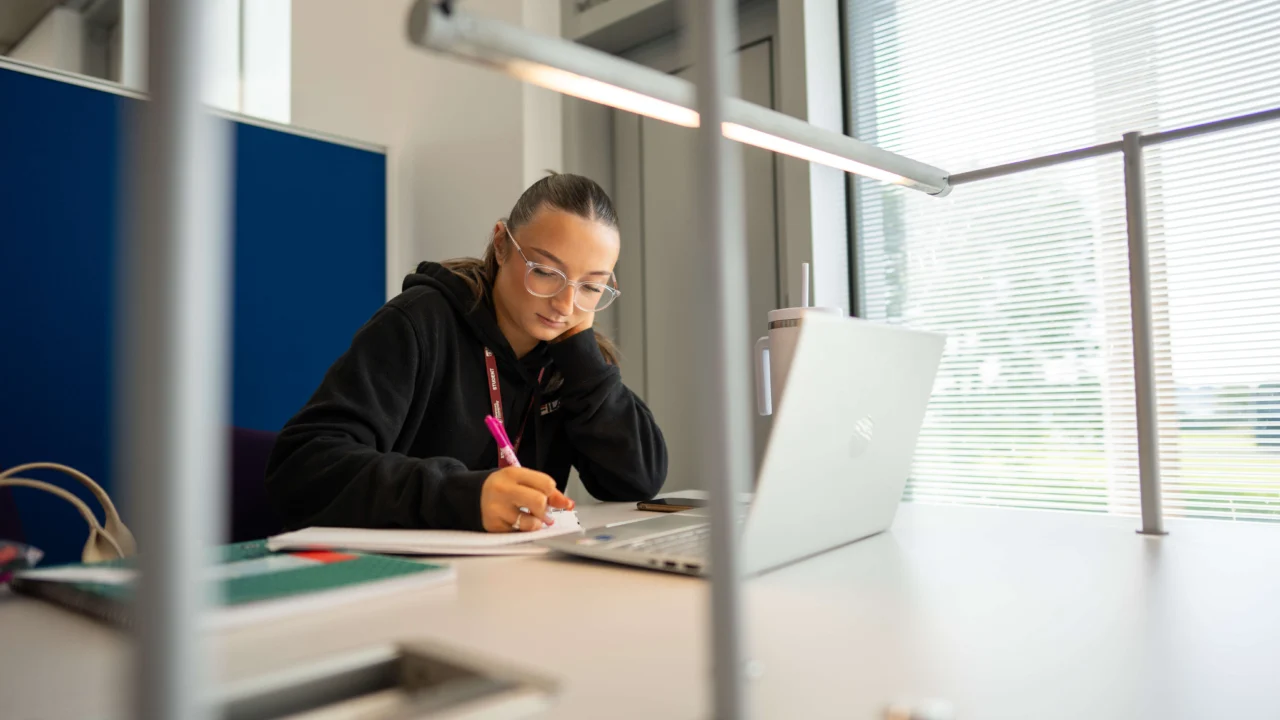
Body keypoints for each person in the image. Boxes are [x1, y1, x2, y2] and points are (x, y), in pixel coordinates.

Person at [265, 174, 668, 533]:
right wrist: (461, 495)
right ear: (500, 243)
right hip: (399, 580)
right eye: (546, 272)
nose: (565, 304)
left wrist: (581, 352)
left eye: (591, 287)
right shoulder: (419, 323)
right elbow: (302, 468)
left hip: (511, 584)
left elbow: (638, 480)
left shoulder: (569, 356)